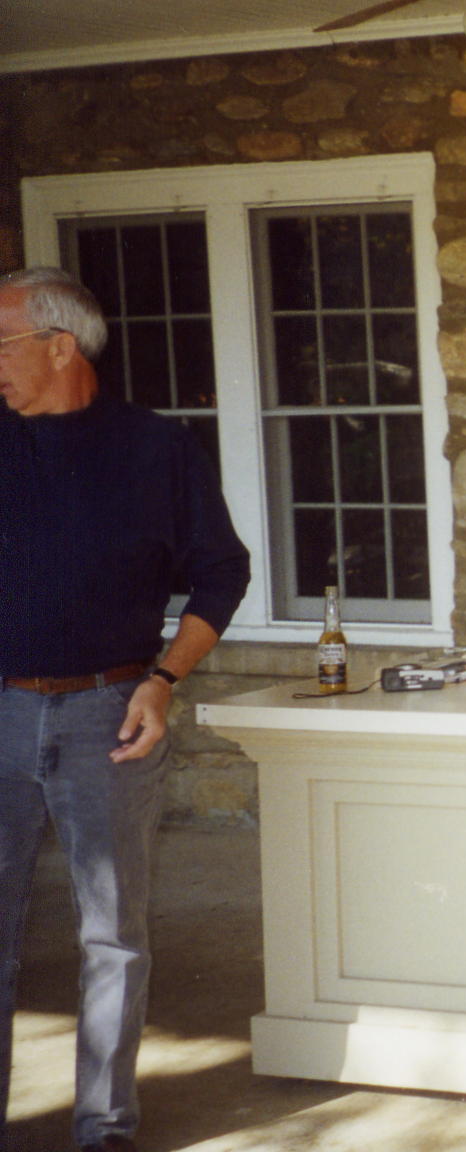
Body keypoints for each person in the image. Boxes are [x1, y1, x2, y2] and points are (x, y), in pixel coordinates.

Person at [0, 267, 251, 1152]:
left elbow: (222, 571)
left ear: (60, 346)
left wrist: (164, 679)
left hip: (110, 715)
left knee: (113, 938)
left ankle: (103, 1127)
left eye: (1, 344)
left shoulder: (156, 449)